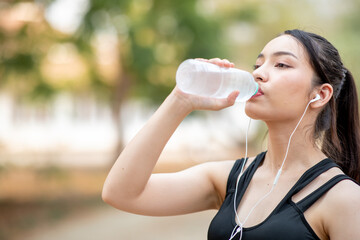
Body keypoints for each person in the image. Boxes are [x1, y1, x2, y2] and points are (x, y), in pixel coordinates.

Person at [102, 29, 360, 240]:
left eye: (281, 64)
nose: (258, 73)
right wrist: (180, 100)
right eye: (258, 64)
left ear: (320, 94)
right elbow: (121, 193)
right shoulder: (229, 180)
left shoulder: (343, 199)